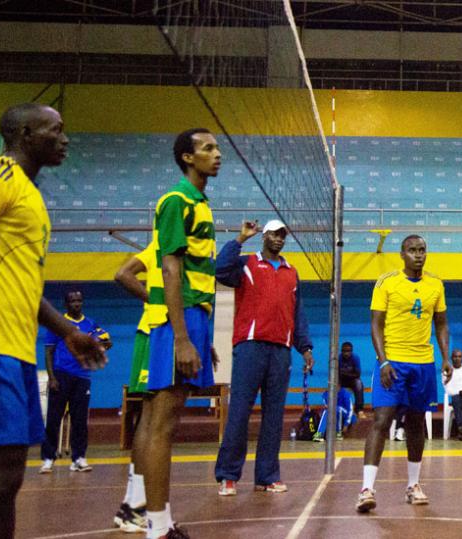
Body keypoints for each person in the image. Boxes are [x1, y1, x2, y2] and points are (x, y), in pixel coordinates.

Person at [0, 103, 106, 539]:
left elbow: (27, 288)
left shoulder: (31, 197)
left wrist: (69, 332)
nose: (64, 139)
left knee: (9, 481)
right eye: (54, 130)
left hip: (16, 350)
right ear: (25, 134)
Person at [134, 127, 221, 539]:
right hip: (178, 318)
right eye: (207, 148)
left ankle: (159, 521)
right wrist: (183, 336)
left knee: (158, 419)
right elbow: (170, 268)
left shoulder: (200, 203)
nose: (217, 154)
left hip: (192, 317)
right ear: (188, 158)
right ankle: (155, 526)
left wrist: (202, 339)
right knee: (161, 423)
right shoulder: (176, 201)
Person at [215, 218, 315, 497]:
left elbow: (298, 314)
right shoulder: (246, 263)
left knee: (273, 417)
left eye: (282, 235)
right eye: (273, 234)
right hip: (250, 347)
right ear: (264, 237)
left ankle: (267, 477)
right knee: (239, 413)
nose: (279, 239)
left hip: (280, 351)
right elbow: (220, 269)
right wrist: (240, 238)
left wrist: (305, 347)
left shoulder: (291, 272)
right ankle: (228, 476)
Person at [356, 234, 450, 513]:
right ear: (402, 254)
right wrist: (383, 362)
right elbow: (376, 325)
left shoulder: (436, 285)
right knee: (381, 421)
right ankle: (366, 489)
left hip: (423, 363)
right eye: (412, 250)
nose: (418, 255)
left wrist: (445, 357)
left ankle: (413, 485)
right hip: (393, 362)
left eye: (422, 250)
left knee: (416, 422)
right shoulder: (387, 282)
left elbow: (441, 324)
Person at [110, 241, 157, 533]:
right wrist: (154, 299)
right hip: (151, 334)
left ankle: (132, 504)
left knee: (152, 421)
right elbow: (122, 274)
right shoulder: (158, 247)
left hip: (162, 335)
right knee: (150, 420)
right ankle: (134, 507)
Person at [39, 289, 112, 473]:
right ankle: (48, 458)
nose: (76, 304)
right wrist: (52, 377)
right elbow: (48, 351)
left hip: (83, 377)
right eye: (72, 301)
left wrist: (101, 345)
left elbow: (105, 340)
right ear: (66, 304)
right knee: (54, 419)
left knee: (80, 421)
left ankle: (78, 458)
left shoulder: (90, 324)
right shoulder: (58, 325)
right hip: (61, 375)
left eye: (79, 300)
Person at [339, 341, 366, 418]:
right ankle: (338, 409)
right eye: (344, 351)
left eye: (348, 351)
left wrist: (343, 373)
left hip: (352, 381)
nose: (346, 353)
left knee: (359, 384)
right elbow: (336, 374)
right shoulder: (338, 358)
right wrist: (346, 375)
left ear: (351, 351)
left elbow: (357, 374)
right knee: (334, 384)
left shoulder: (355, 358)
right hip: (341, 380)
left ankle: (359, 410)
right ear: (341, 351)